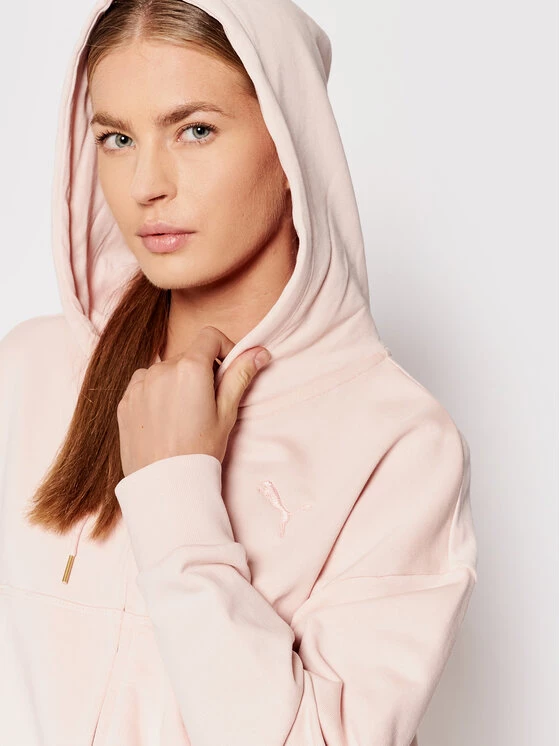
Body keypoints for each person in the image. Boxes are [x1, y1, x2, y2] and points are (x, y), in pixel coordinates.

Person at [0, 0, 478, 744]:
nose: (146, 183)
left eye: (195, 130)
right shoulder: (27, 373)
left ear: (291, 142)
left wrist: (175, 493)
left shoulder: (400, 446)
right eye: (118, 138)